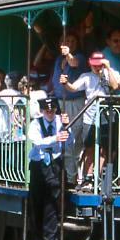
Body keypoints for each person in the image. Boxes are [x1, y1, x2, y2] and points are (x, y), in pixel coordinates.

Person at [61, 52, 120, 187]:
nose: (97, 68)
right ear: (90, 64)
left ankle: (96, 176)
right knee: (89, 147)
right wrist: (66, 83)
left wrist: (108, 68)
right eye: (95, 65)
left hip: (106, 117)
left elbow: (115, 86)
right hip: (90, 117)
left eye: (99, 65)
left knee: (104, 149)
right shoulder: (86, 77)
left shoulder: (110, 73)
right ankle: (87, 178)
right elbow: (73, 88)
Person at [27, 96, 71, 240]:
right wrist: (55, 138)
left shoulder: (61, 122)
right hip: (39, 166)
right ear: (42, 111)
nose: (50, 113)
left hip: (55, 165)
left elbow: (70, 142)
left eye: (52, 110)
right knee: (36, 203)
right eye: (47, 110)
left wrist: (67, 128)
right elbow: (37, 142)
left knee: (52, 205)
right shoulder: (35, 123)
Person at [49, 33, 88, 184]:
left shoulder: (79, 56)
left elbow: (74, 63)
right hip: (60, 102)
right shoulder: (59, 59)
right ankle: (65, 175)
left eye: (72, 41)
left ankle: (73, 178)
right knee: (63, 138)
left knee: (74, 138)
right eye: (66, 41)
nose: (69, 43)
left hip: (74, 102)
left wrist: (69, 54)